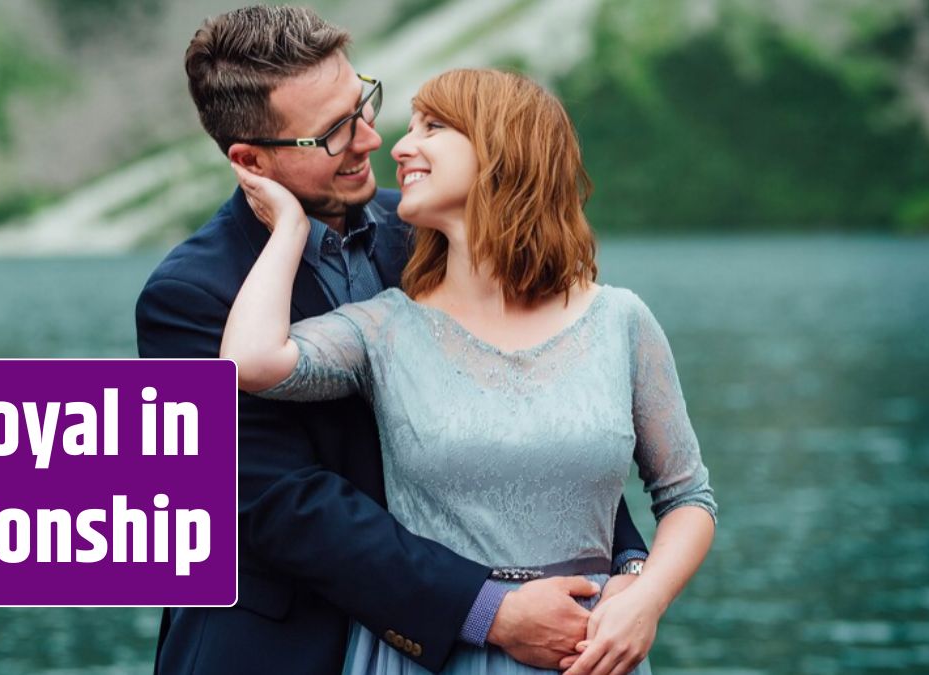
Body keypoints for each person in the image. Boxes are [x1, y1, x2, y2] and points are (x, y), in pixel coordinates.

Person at [137, 6, 652, 675]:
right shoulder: (187, 297)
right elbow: (282, 503)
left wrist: (625, 566)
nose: (370, 140)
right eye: (332, 134)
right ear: (250, 160)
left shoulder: (423, 225)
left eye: (362, 104)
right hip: (284, 651)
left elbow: (540, 398)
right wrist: (490, 609)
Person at [220, 67, 717, 675]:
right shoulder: (385, 327)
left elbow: (687, 495)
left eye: (434, 126)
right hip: (434, 657)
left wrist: (646, 596)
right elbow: (247, 363)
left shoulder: (621, 320)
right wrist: (290, 227)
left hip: (588, 656)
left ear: (504, 149)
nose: (399, 146)